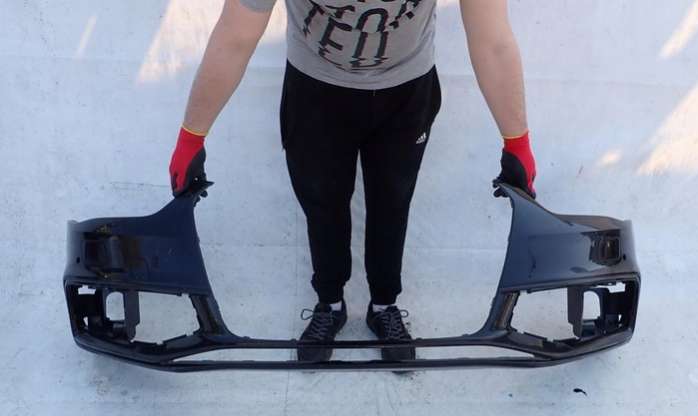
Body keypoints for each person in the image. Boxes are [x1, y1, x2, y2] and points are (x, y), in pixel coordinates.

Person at [169, 0, 537, 363]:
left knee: (393, 200)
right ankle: (329, 303)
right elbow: (236, 35)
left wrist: (516, 142)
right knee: (321, 201)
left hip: (406, 88)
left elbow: (492, 41)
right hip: (316, 86)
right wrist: (192, 137)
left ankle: (384, 305)